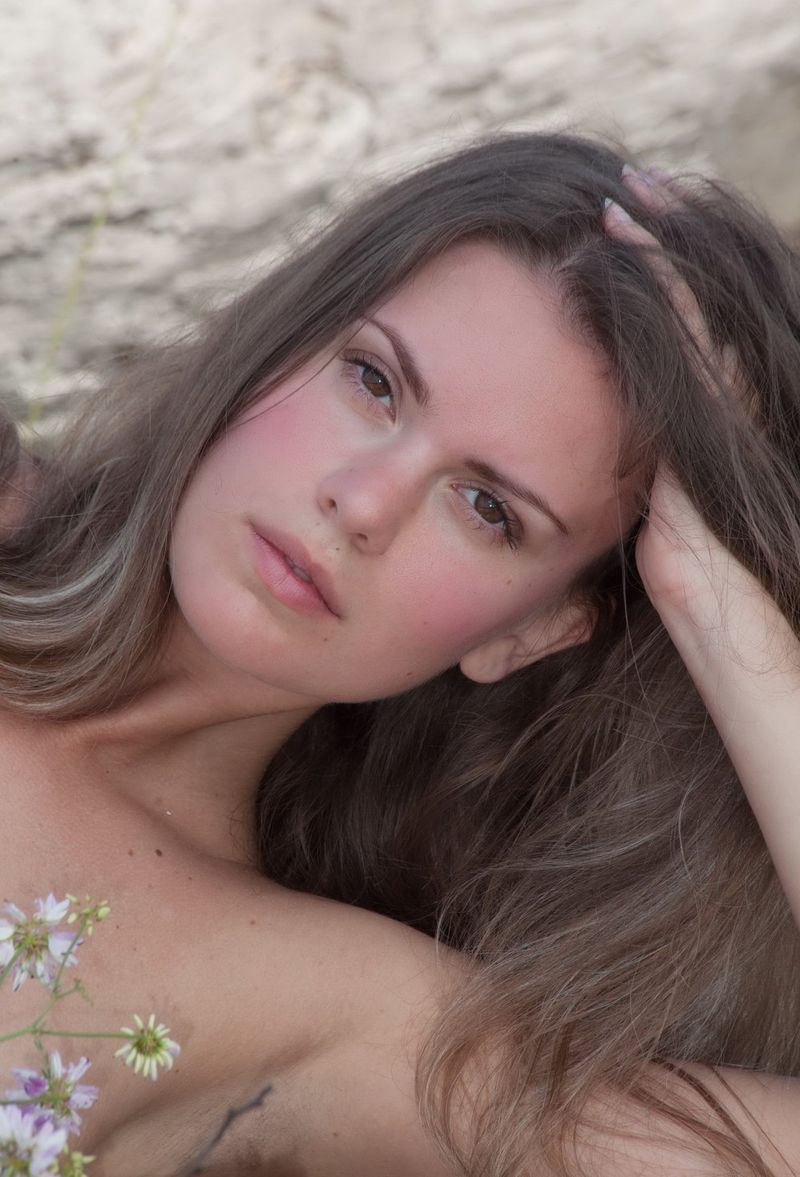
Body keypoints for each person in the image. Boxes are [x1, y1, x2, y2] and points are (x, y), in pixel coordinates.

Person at [1, 131, 800, 1176]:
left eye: (486, 508)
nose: (363, 502)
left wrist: (713, 605)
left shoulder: (325, 1009)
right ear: (279, 339)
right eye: (373, 381)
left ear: (533, 628)